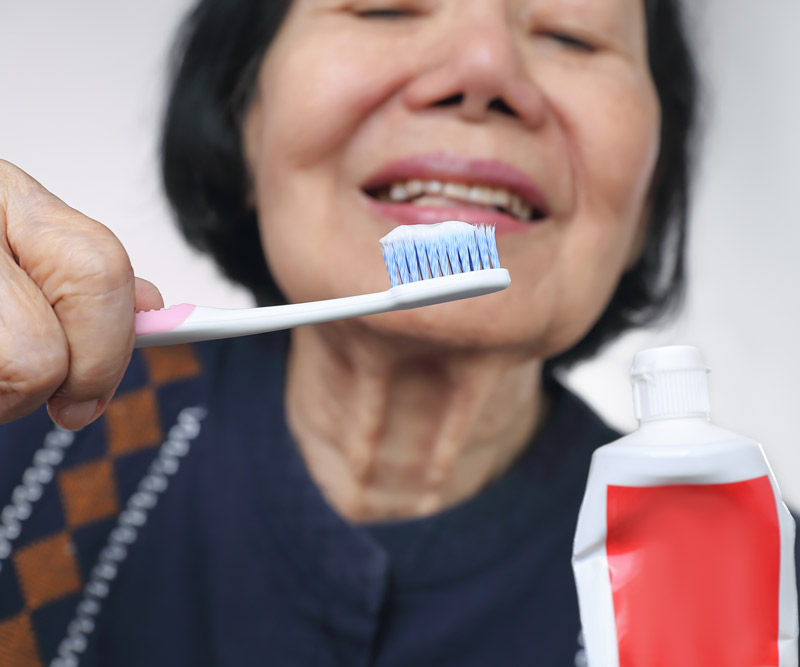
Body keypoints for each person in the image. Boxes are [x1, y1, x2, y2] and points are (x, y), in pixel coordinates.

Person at [0, 1, 795, 665]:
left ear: (649, 191)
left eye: (571, 33)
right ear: (242, 110)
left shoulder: (729, 557)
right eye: (384, 5)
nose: (485, 70)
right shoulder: (26, 425)